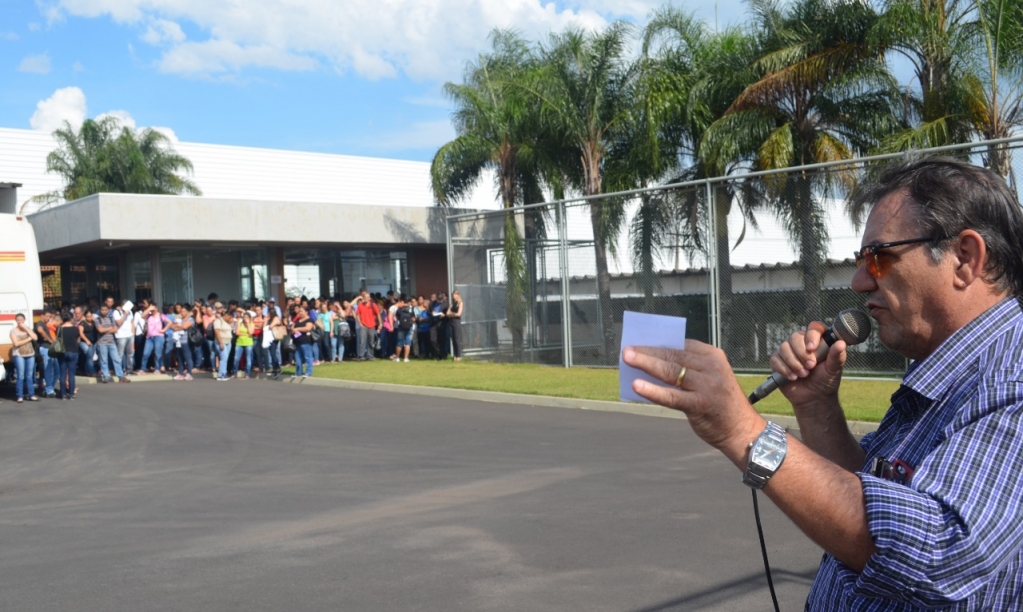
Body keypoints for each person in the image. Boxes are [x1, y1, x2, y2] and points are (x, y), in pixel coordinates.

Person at [623, 157, 1023, 610]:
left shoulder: (1012, 377)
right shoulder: (942, 370)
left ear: (965, 258)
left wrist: (745, 432)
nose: (858, 281)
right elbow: (876, 492)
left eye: (878, 257)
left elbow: (941, 552)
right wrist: (817, 409)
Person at [94, 303, 129, 383]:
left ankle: (121, 377)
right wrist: (110, 328)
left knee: (116, 359)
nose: (104, 311)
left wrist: (105, 329)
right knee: (104, 360)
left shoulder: (111, 318)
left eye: (105, 310)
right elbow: (100, 330)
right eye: (102, 310)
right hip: (102, 343)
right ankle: (106, 376)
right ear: (100, 310)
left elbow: (115, 329)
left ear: (108, 310)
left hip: (111, 342)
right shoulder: (97, 319)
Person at [9, 313, 38, 403]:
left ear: (24, 320)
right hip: (18, 355)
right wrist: (28, 339)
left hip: (30, 354)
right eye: (18, 320)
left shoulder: (28, 329)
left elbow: (35, 338)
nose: (20, 322)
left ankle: (31, 395)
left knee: (29, 376)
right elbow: (16, 343)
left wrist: (26, 328)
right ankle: (19, 396)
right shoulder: (13, 331)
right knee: (20, 376)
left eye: (21, 320)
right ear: (16, 321)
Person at [34, 309, 59, 397]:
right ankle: (49, 390)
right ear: (42, 315)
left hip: (50, 349)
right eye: (47, 316)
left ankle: (49, 388)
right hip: (45, 348)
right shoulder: (40, 323)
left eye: (50, 316)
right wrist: (49, 340)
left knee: (57, 370)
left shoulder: (45, 324)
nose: (48, 318)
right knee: (49, 370)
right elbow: (40, 330)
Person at [56, 311, 80, 399]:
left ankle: (63, 394)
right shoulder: (75, 329)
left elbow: (57, 339)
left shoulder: (59, 329)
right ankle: (71, 393)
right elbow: (78, 340)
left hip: (62, 352)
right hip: (73, 351)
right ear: (71, 318)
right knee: (71, 374)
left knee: (62, 373)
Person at [354, 290, 382, 361]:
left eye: (367, 297)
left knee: (371, 341)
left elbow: (378, 314)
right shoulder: (360, 305)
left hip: (372, 325)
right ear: (363, 298)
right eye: (365, 297)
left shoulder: (373, 305)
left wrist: (380, 323)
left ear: (369, 298)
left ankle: (370, 355)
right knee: (362, 341)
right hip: (364, 325)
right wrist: (360, 323)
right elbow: (357, 314)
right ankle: (361, 356)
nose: (366, 298)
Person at [289, 305, 315, 378]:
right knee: (297, 358)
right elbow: (292, 327)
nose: (300, 313)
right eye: (299, 311)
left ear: (306, 312)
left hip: (305, 341)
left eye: (302, 311)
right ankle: (298, 372)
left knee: (307, 357)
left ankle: (308, 372)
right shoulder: (298, 319)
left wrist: (298, 329)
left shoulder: (309, 320)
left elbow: (308, 328)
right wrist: (294, 329)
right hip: (297, 341)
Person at [213, 306, 234, 381]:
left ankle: (223, 373)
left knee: (225, 358)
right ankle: (221, 374)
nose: (230, 319)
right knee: (223, 357)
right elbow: (217, 332)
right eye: (230, 317)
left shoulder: (226, 322)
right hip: (221, 342)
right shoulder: (218, 321)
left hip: (228, 342)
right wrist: (221, 342)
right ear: (227, 315)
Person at [233, 311, 256, 379]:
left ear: (249, 318)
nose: (245, 318)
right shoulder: (239, 324)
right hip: (239, 342)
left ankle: (247, 374)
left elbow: (251, 333)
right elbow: (237, 333)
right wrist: (246, 334)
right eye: (244, 317)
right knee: (236, 358)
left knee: (248, 359)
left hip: (248, 343)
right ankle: (234, 373)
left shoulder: (252, 324)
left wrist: (248, 324)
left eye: (247, 317)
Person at [393, 296, 415, 363]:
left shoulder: (399, 309)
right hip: (409, 327)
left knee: (399, 342)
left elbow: (396, 318)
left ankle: (397, 358)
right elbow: (413, 319)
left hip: (401, 327)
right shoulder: (411, 310)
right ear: (409, 302)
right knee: (408, 343)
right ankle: (406, 358)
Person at [77, 309, 97, 376]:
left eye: (90, 316)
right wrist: (86, 340)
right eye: (88, 317)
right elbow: (81, 333)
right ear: (85, 316)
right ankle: (92, 371)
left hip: (93, 341)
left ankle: (87, 370)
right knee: (89, 356)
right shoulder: (82, 323)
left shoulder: (94, 322)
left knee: (90, 357)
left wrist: (95, 321)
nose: (89, 318)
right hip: (84, 342)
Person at [446, 290, 464, 361]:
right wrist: (452, 314)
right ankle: (455, 355)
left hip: (456, 322)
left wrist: (451, 314)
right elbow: (447, 313)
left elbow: (458, 314)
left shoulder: (460, 303)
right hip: (451, 322)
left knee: (457, 339)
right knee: (453, 339)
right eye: (453, 295)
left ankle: (459, 355)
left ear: (458, 295)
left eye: (454, 295)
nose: (453, 297)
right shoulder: (452, 304)